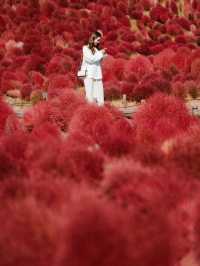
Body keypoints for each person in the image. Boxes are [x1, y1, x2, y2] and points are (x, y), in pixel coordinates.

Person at [80, 30, 107, 106]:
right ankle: (91, 112)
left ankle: (100, 112)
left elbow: (97, 61)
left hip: (97, 75)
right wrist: (101, 53)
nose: (98, 42)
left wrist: (102, 56)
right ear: (93, 38)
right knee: (90, 97)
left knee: (100, 98)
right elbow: (91, 59)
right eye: (98, 40)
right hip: (89, 76)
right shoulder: (85, 48)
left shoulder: (95, 49)